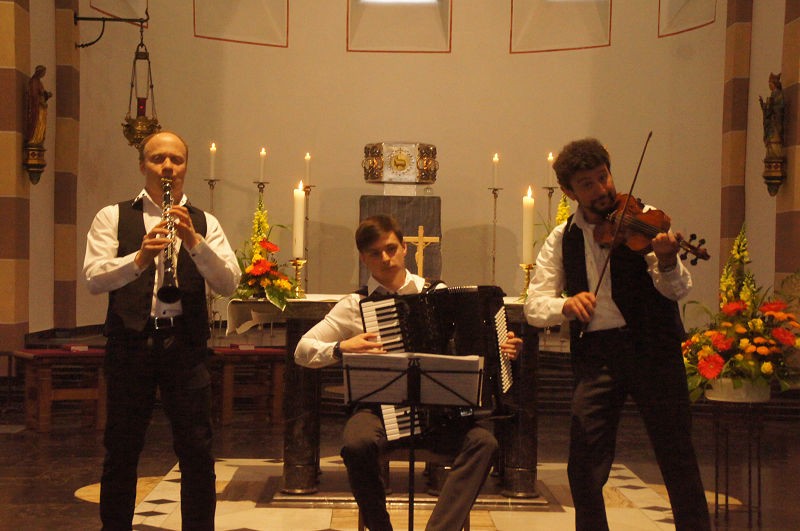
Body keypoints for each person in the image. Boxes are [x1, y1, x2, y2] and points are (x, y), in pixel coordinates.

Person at [524, 138, 710, 531]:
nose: (601, 189)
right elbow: (534, 305)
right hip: (598, 353)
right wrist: (565, 305)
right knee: (583, 465)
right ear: (570, 192)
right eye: (587, 184)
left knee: (677, 454)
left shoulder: (646, 220)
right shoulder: (562, 238)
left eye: (603, 177)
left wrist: (667, 260)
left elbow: (677, 290)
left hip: (653, 348)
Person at [295, 214, 522, 531]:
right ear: (363, 258)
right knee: (356, 445)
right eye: (375, 253)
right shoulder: (354, 304)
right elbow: (302, 350)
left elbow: (477, 346)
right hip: (378, 411)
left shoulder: (438, 294)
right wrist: (341, 347)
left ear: (404, 248)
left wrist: (503, 348)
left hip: (440, 412)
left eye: (391, 249)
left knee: (484, 443)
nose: (385, 258)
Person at [83, 131, 241, 530]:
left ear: (185, 166)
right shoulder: (112, 216)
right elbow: (93, 278)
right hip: (130, 343)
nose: (167, 166)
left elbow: (228, 283)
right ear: (142, 165)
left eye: (176, 159)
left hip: (185, 345)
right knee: (121, 450)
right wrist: (138, 259)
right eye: (157, 159)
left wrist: (194, 242)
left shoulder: (205, 222)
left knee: (197, 452)